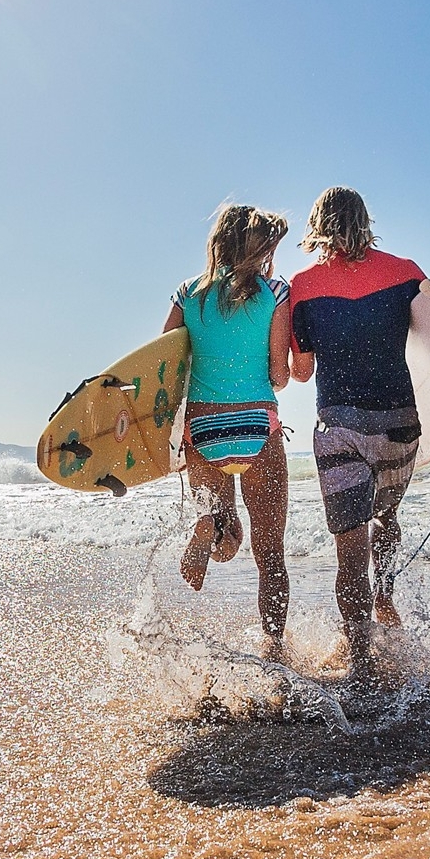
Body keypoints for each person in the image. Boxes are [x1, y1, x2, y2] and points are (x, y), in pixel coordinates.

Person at [284, 187, 425, 679]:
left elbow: (301, 371)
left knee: (350, 549)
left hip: (339, 426)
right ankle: (385, 600)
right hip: (400, 423)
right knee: (386, 518)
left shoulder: (302, 286)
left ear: (317, 225)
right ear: (366, 220)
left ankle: (362, 661)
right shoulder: (407, 272)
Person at [162, 203, 294, 653]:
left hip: (203, 432)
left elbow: (164, 366)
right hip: (258, 428)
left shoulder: (186, 294)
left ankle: (209, 529)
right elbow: (280, 375)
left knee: (228, 537)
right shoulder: (276, 291)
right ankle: (274, 649)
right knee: (269, 553)